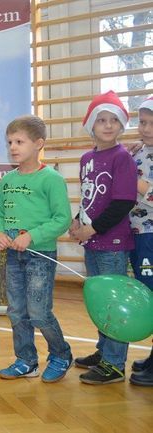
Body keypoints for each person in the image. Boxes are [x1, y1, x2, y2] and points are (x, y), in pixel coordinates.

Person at [0, 115, 73, 382]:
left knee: (38, 311)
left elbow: (62, 219)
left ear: (39, 144)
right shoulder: (7, 180)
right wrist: (0, 233)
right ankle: (26, 360)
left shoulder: (51, 179)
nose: (13, 147)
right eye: (10, 142)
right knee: (16, 310)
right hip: (14, 257)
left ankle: (61, 354)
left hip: (40, 255)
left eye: (19, 141)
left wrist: (32, 236)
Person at [69, 90, 137, 385]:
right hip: (92, 242)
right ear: (91, 126)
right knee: (99, 300)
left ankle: (115, 363)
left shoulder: (122, 158)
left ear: (121, 125)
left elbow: (123, 202)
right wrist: (77, 222)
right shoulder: (87, 158)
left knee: (113, 302)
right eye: (102, 120)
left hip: (112, 244)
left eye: (114, 120)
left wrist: (92, 228)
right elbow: (89, 198)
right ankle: (105, 350)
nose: (108, 125)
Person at [127, 95, 153, 387]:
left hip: (151, 236)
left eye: (150, 123)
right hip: (137, 235)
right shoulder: (140, 151)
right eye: (142, 122)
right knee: (147, 292)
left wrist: (132, 180)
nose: (144, 128)